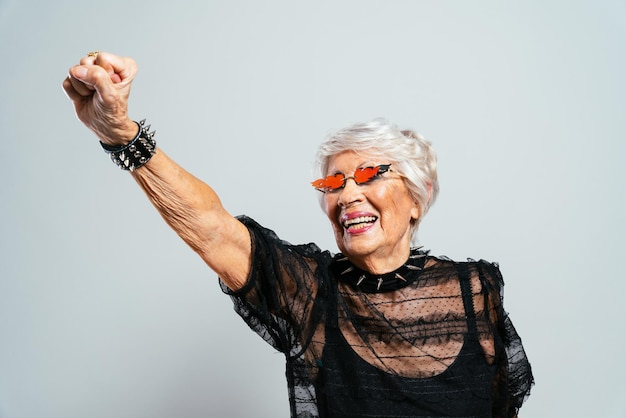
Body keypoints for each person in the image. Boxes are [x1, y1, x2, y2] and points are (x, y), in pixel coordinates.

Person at [63, 51, 533, 418]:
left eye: (369, 175)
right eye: (333, 183)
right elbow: (213, 230)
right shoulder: (311, 290)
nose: (347, 195)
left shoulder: (476, 291)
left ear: (417, 197)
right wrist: (121, 133)